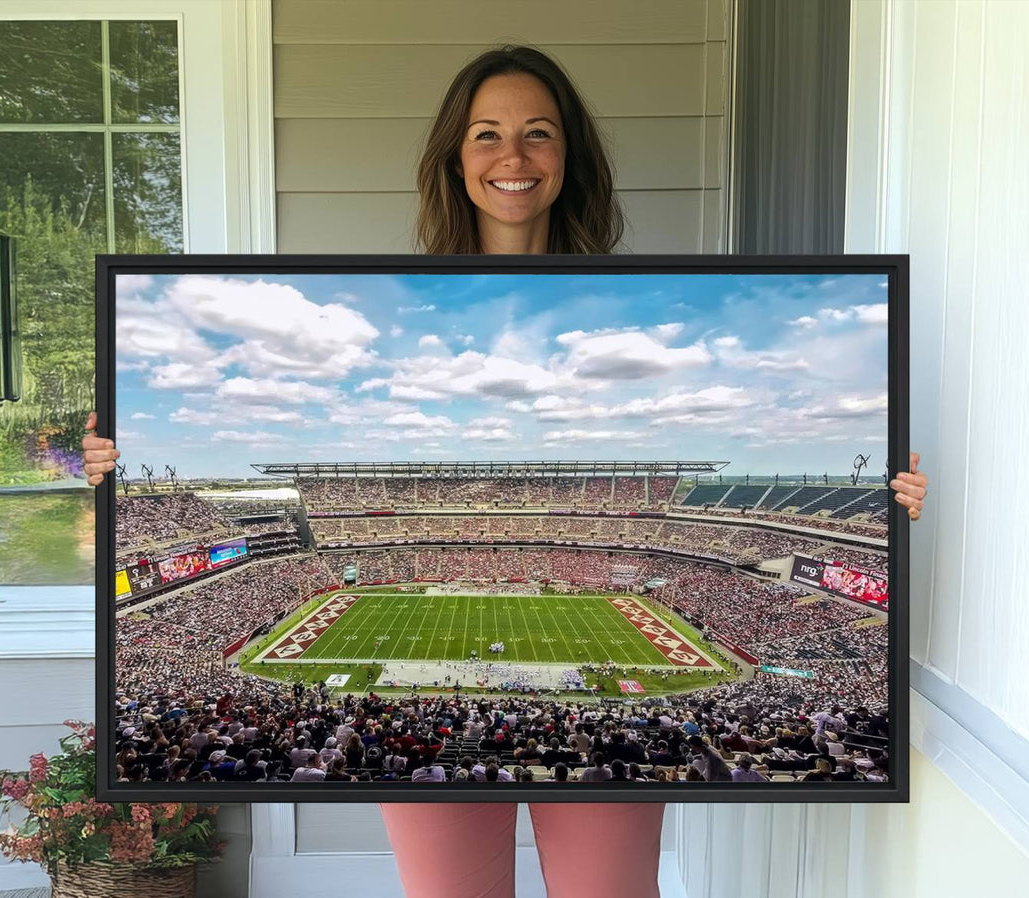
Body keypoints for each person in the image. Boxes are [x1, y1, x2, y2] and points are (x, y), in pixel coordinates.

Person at [83, 42, 930, 898]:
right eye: (486, 134)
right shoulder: (392, 299)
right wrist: (105, 474)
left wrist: (887, 505)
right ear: (455, 158)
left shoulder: (630, 304)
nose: (512, 156)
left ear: (570, 157)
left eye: (539, 133)